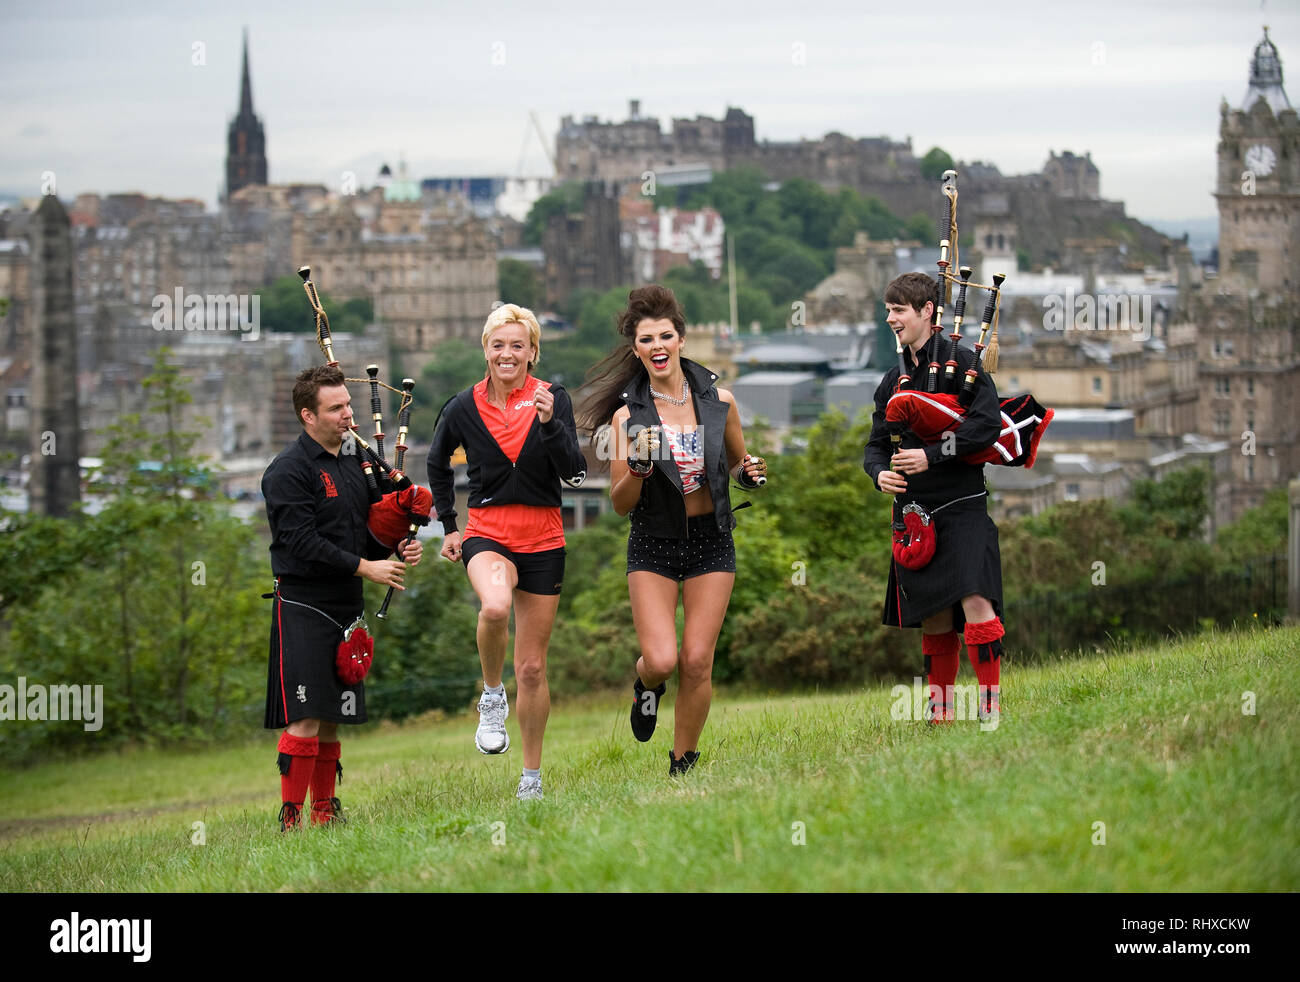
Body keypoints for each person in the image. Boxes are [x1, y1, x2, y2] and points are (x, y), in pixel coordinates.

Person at [579, 285, 767, 775]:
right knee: (662, 661)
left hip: (711, 541)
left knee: (697, 660)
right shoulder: (627, 417)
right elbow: (621, 504)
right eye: (646, 339)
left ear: (681, 339)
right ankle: (646, 686)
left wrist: (750, 472)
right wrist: (638, 472)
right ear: (636, 349)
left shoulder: (718, 400)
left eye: (665, 335)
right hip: (653, 543)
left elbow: (737, 461)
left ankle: (682, 762)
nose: (657, 346)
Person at [426, 304, 586, 801]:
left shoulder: (552, 398)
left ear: (533, 352)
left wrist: (550, 426)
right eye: (499, 345)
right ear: (486, 351)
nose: (508, 353)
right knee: (494, 606)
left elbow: (575, 472)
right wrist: (450, 527)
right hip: (489, 532)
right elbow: (436, 464)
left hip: (543, 538)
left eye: (518, 345)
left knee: (534, 668)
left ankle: (531, 780)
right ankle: (491, 695)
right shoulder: (462, 406)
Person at [263, 364, 422, 830]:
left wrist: (394, 545)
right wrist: (366, 567)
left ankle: (323, 814)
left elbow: (367, 530)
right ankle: (290, 821)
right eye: (336, 409)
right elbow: (301, 541)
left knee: (333, 716)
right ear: (307, 416)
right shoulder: (287, 471)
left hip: (345, 602)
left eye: (349, 405)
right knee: (307, 714)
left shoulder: (357, 462)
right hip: (303, 602)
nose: (348, 416)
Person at [863, 271, 1006, 724]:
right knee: (935, 616)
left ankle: (989, 707)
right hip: (915, 512)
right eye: (888, 310)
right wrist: (880, 473)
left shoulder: (966, 365)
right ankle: (940, 714)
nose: (890, 319)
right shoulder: (893, 379)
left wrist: (931, 454)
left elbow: (987, 425)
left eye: (898, 310)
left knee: (976, 600)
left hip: (962, 503)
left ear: (928, 311)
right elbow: (875, 445)